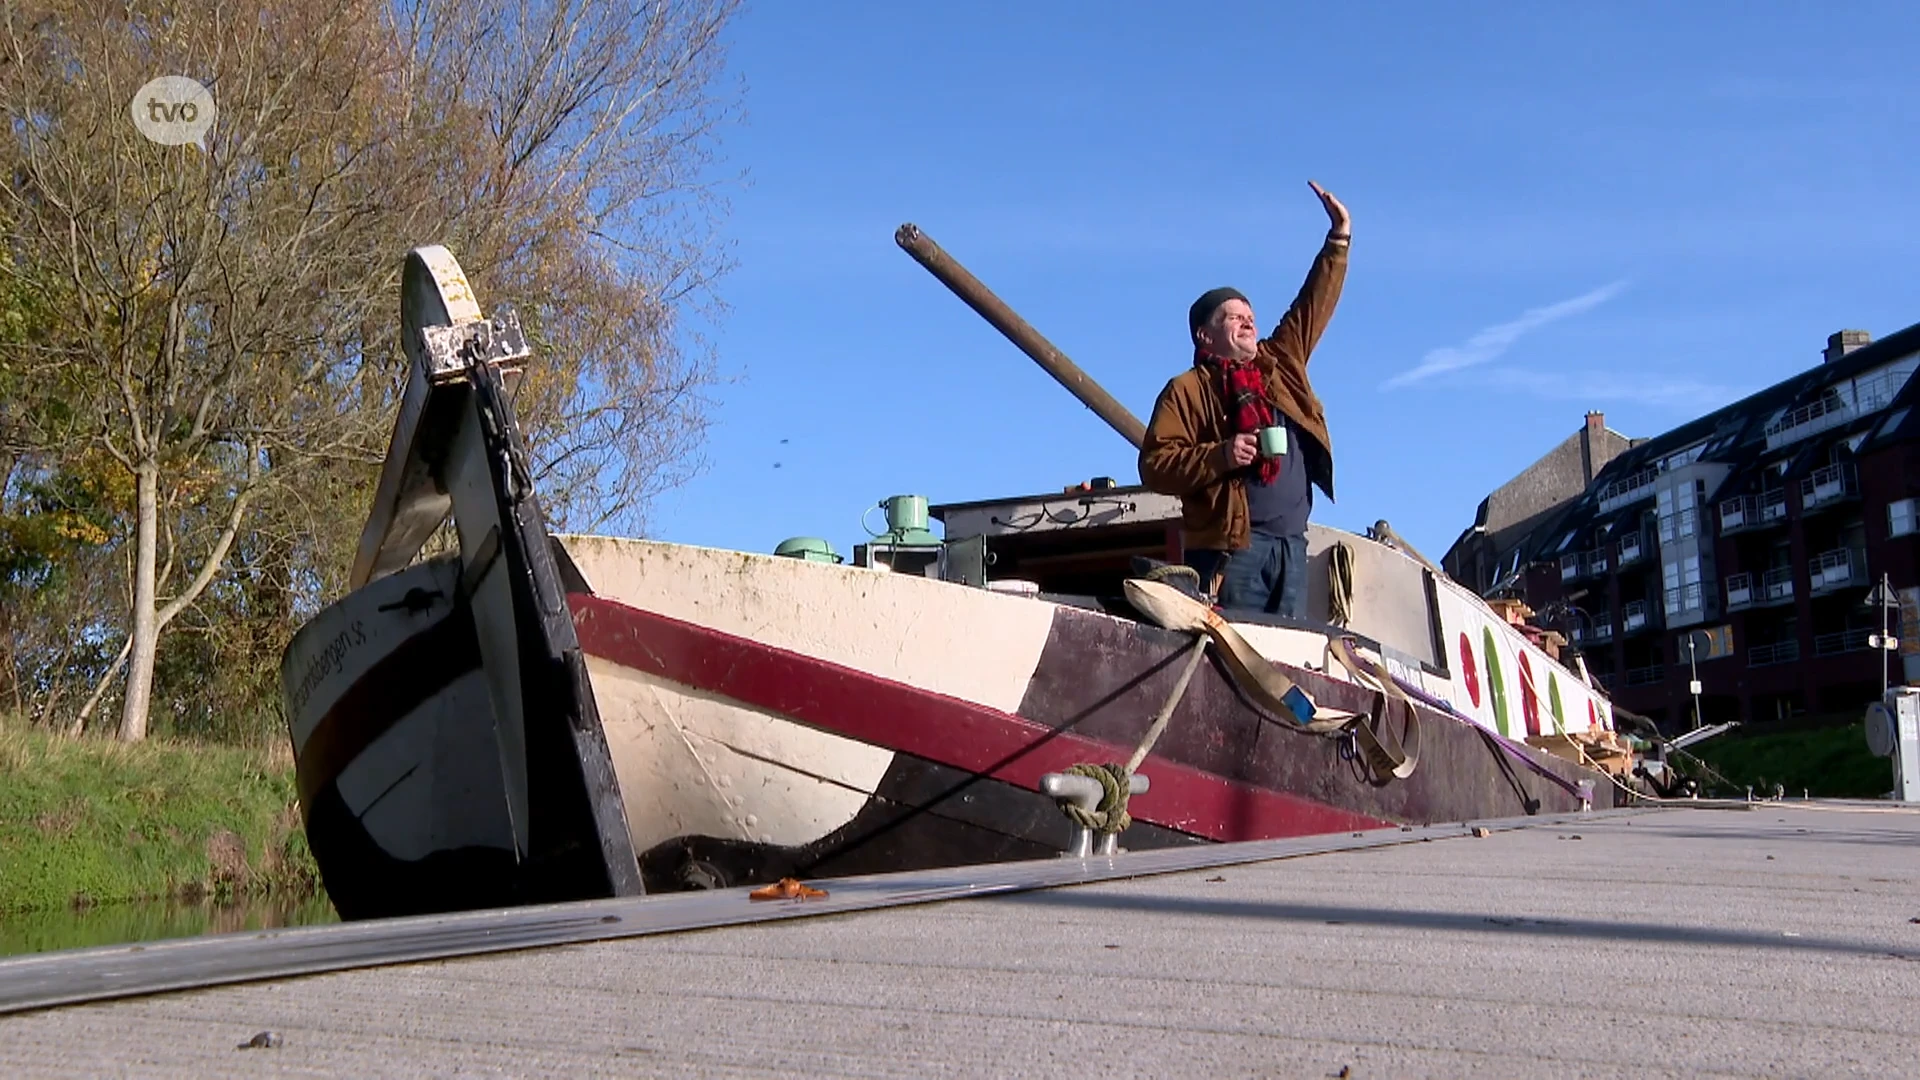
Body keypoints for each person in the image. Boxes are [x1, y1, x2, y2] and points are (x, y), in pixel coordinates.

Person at [1138, 180, 1350, 618]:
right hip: (1231, 551)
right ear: (1205, 334)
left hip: (1293, 545)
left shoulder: (1281, 363)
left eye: (1251, 317)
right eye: (1234, 317)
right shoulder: (1187, 390)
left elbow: (1314, 305)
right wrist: (1222, 454)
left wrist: (1338, 238)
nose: (1248, 323)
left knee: (1282, 660)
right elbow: (1154, 465)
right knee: (1231, 661)